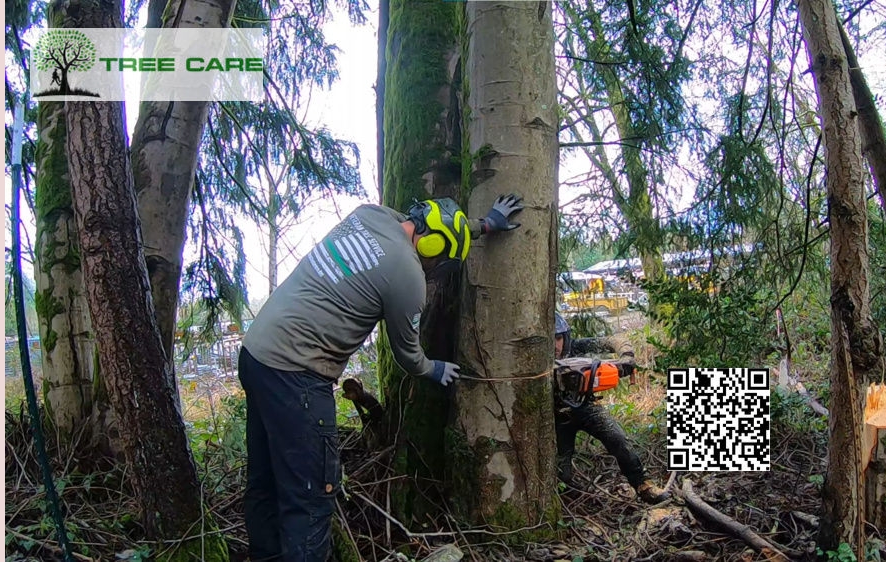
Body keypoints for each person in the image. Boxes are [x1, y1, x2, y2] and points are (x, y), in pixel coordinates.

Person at [238, 194, 525, 561]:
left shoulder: (370, 215)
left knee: (265, 482)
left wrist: (483, 225)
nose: (433, 265)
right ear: (432, 244)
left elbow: (437, 226)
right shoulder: (407, 274)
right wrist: (432, 369)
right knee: (309, 496)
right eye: (438, 258)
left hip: (257, 354)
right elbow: (407, 354)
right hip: (297, 374)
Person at [553, 312, 671, 504]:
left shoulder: (576, 346)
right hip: (557, 418)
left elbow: (612, 340)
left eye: (558, 338)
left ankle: (643, 485)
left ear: (565, 337)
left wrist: (626, 356)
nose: (555, 345)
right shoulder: (536, 362)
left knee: (617, 438)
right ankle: (572, 498)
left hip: (585, 406)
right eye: (551, 339)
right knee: (561, 468)